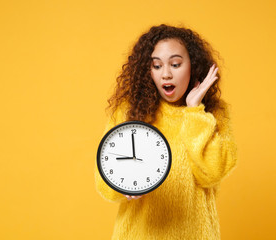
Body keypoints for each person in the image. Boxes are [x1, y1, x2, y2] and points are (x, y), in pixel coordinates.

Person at [95, 24, 238, 240]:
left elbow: (212, 173)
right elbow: (104, 182)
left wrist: (194, 112)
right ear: (147, 70)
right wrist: (122, 185)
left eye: (176, 64)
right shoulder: (130, 112)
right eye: (157, 66)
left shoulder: (212, 114)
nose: (166, 74)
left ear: (193, 66)